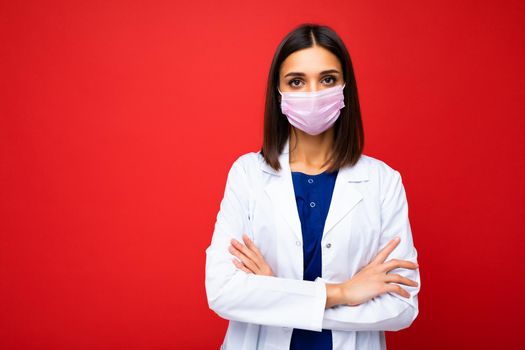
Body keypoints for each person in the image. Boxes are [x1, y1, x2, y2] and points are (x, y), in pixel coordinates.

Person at [205, 23, 421, 350]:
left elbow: (402, 306)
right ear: (278, 92)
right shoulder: (247, 174)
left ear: (345, 87)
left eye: (327, 79)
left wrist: (276, 294)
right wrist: (344, 293)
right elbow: (223, 292)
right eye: (296, 82)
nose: (313, 94)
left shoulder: (382, 181)